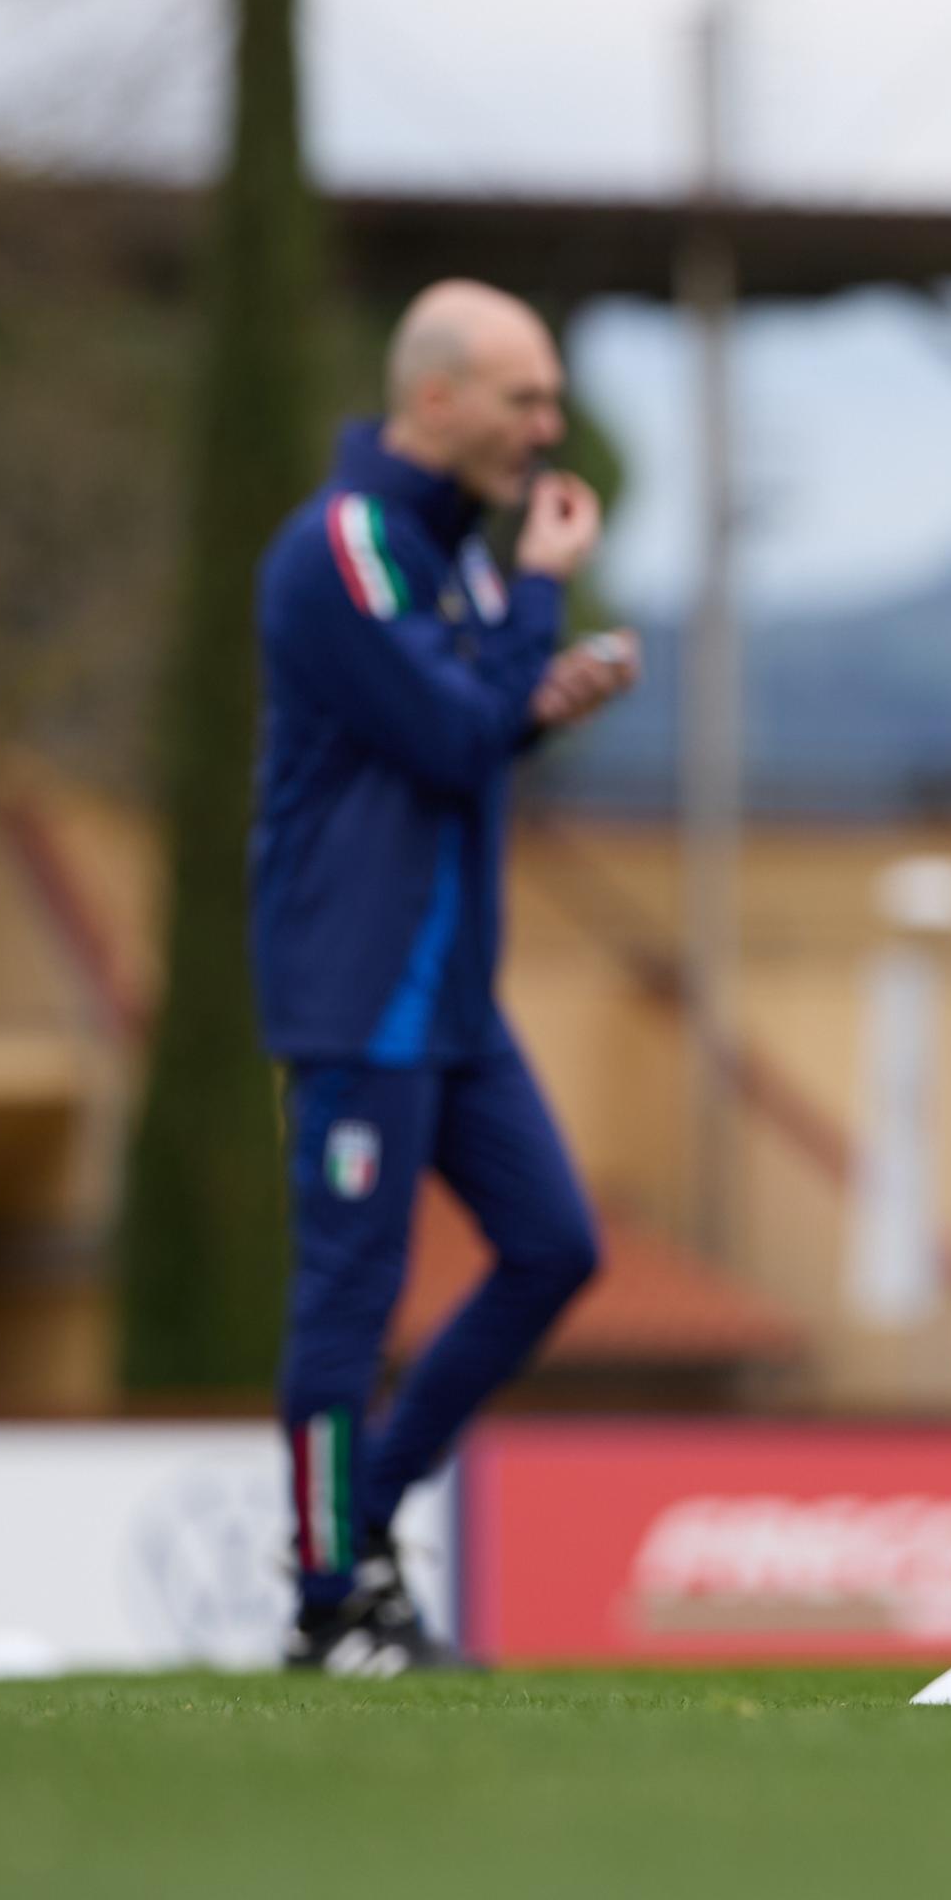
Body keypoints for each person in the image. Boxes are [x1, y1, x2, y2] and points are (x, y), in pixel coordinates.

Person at [253, 280, 641, 1674]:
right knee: (350, 1298)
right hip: (357, 987)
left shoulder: (453, 554)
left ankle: (356, 1524)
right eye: (523, 397)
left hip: (452, 996)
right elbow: (445, 730)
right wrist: (539, 602)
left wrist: (541, 687)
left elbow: (472, 723)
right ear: (435, 398)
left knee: (554, 1248)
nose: (547, 425)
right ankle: (326, 1599)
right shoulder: (346, 546)